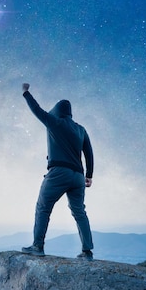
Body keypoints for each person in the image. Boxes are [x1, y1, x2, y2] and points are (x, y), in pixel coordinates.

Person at [20, 83, 94, 260]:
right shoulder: (81, 129)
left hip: (59, 172)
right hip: (78, 176)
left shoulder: (54, 122)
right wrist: (89, 175)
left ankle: (37, 246)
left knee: (43, 207)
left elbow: (36, 109)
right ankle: (87, 251)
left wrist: (26, 92)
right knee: (79, 212)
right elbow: (89, 153)